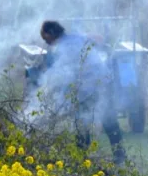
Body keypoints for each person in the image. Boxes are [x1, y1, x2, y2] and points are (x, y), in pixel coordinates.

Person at [39, 20, 126, 165]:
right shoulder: (75, 37)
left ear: (52, 34)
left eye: (46, 38)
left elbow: (65, 75)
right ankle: (119, 158)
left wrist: (51, 92)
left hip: (93, 85)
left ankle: (82, 160)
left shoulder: (64, 47)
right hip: (104, 81)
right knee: (107, 120)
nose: (46, 42)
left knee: (82, 123)